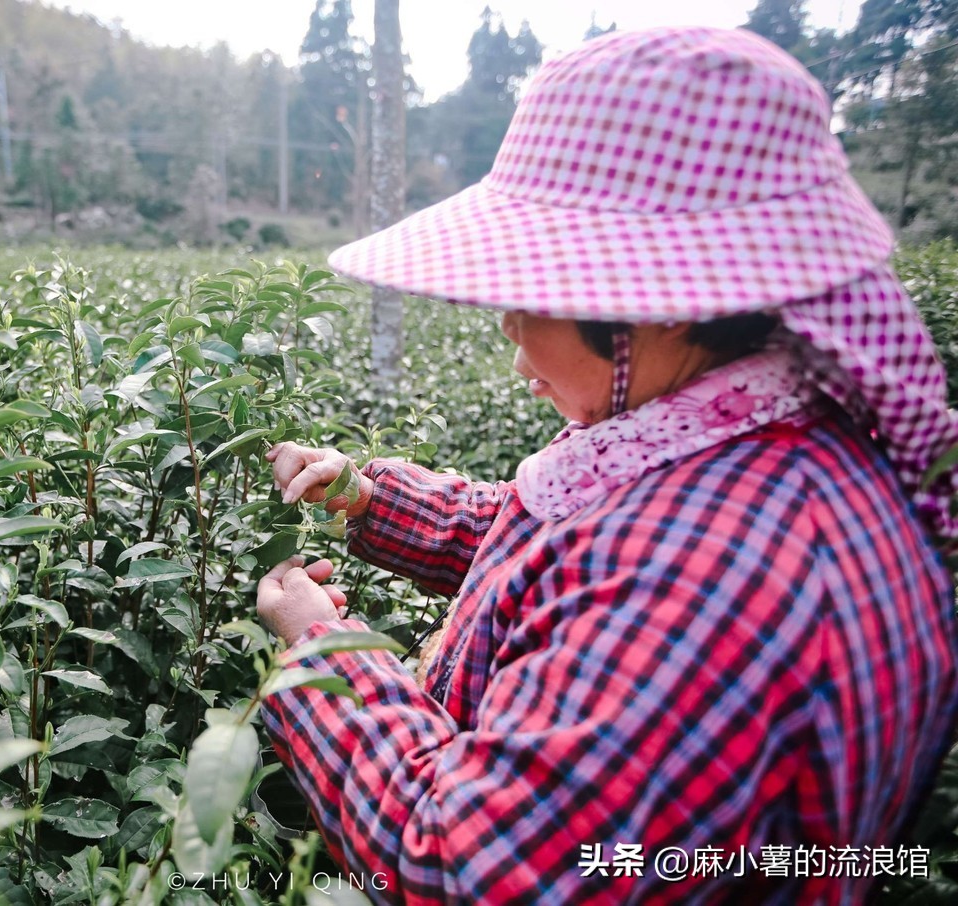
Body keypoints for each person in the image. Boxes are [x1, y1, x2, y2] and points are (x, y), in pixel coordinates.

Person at [254, 26, 958, 904]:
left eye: (529, 299)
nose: (512, 337)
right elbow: (562, 542)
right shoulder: (737, 432)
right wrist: (368, 498)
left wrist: (325, 655)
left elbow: (475, 867)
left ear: (661, 302)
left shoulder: (707, 570)